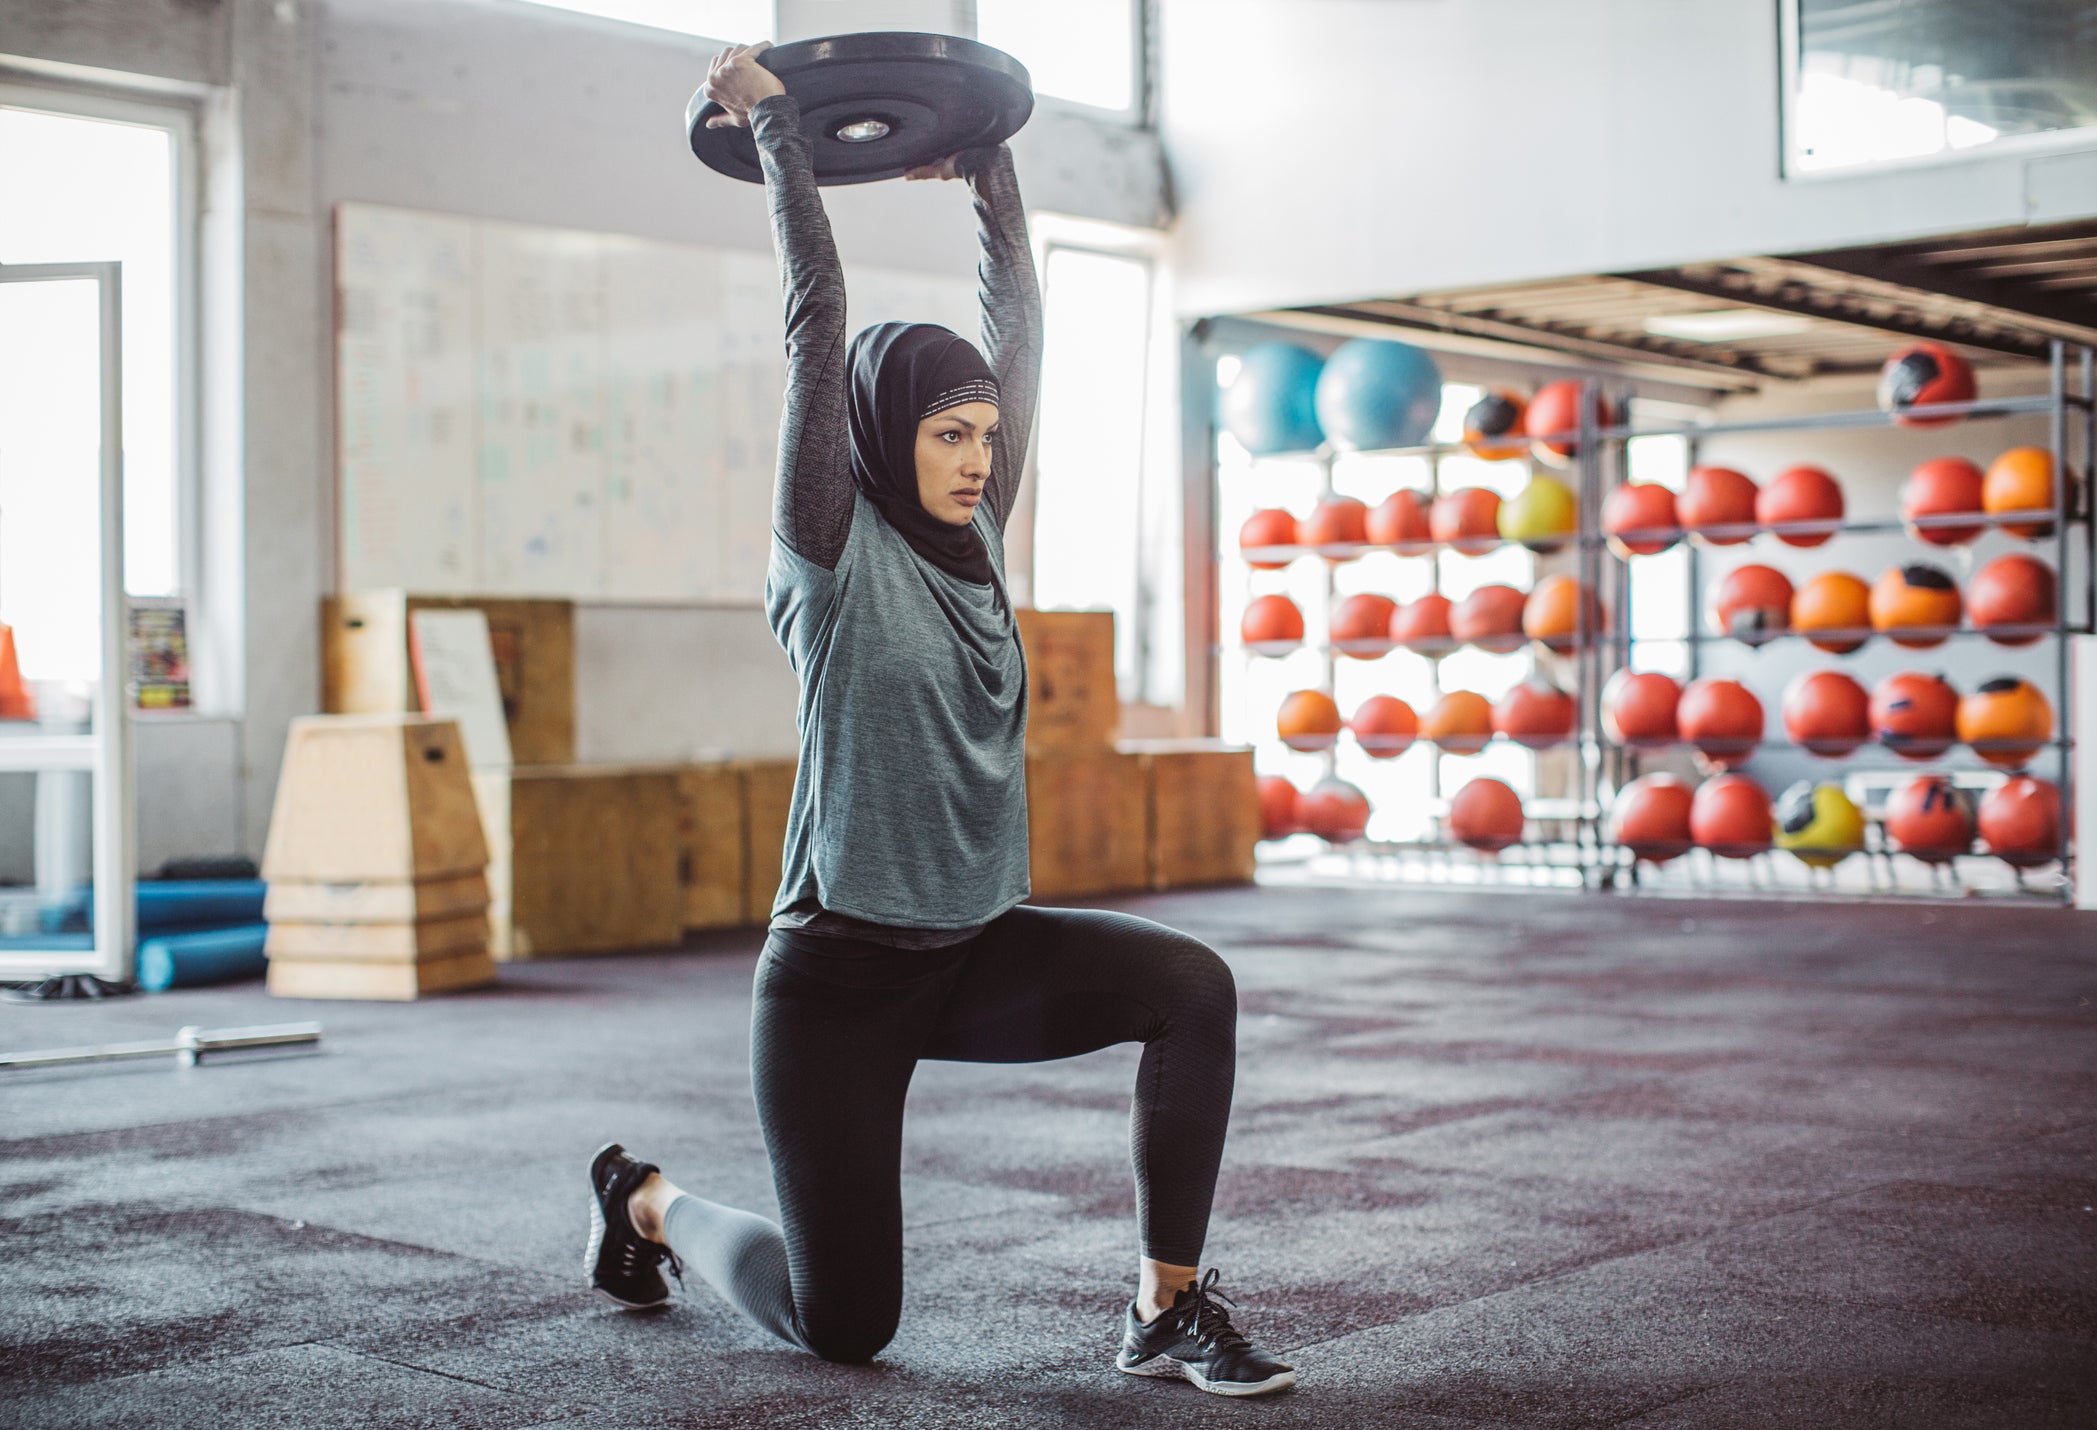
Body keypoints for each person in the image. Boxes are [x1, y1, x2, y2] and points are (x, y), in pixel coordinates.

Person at [582, 42, 1294, 1399]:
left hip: (973, 948)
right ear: (879, 433)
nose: (975, 457)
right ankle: (647, 1201)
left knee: (1191, 984)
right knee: (847, 1324)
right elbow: (815, 317)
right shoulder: (828, 552)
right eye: (946, 434)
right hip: (837, 981)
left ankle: (1165, 1304)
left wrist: (989, 166)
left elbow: (1014, 317)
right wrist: (783, 134)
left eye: (984, 434)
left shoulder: (982, 539)